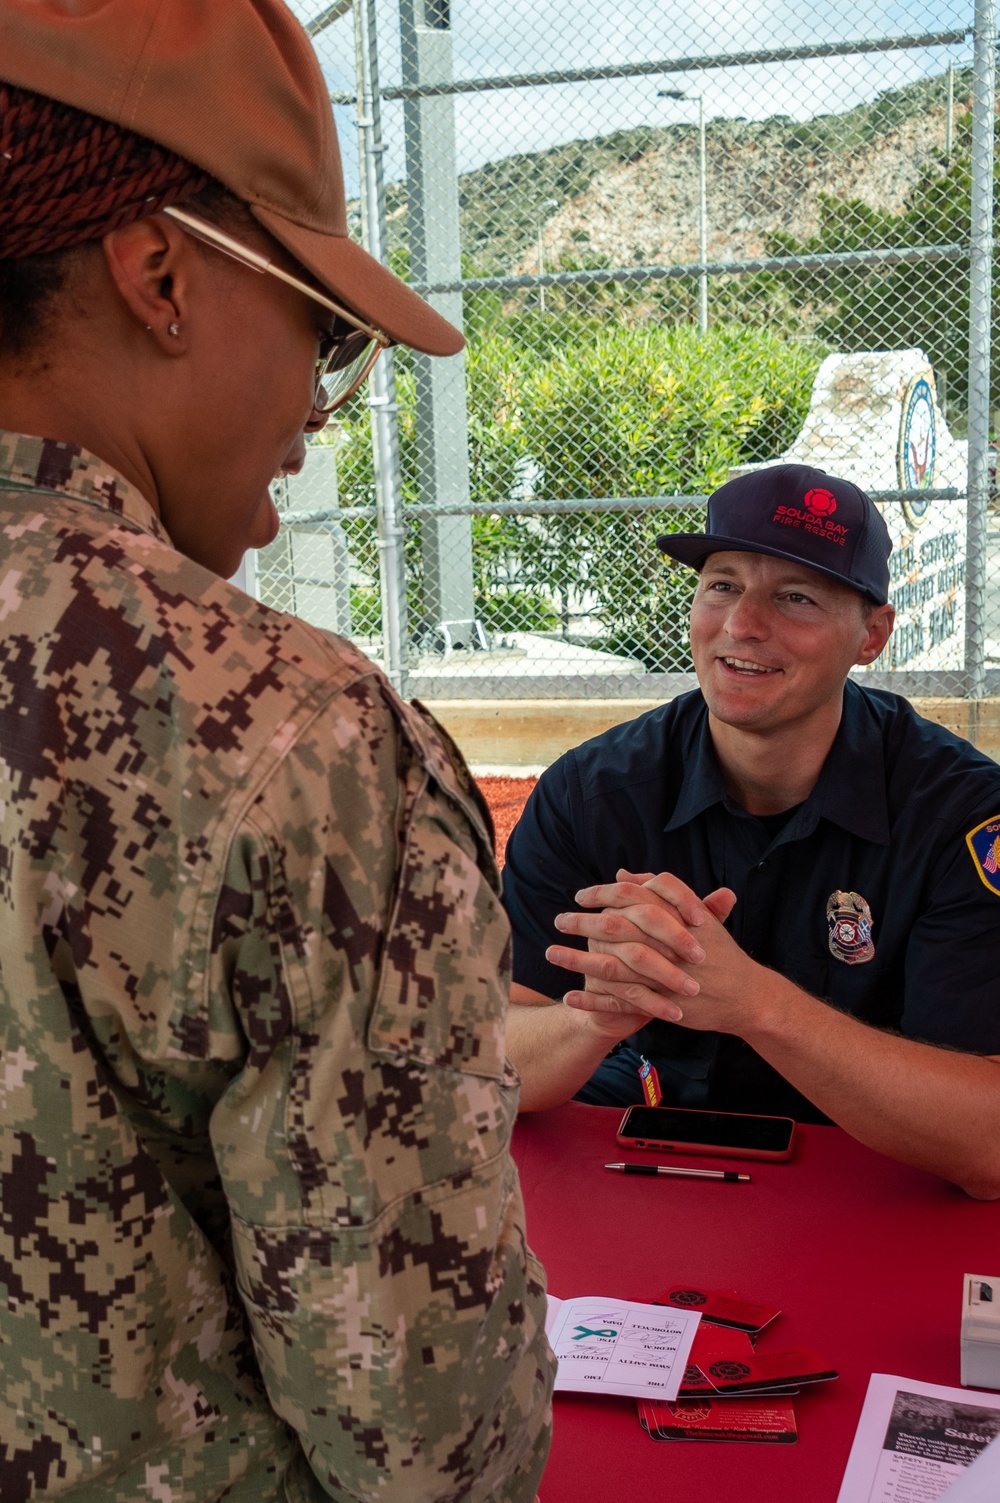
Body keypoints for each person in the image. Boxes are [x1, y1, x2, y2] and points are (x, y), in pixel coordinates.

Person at [0, 3, 553, 1500]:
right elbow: (427, 1433)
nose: (315, 412)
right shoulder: (287, 734)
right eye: (324, 329)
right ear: (162, 272)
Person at [503, 463, 1000, 1199]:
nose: (741, 624)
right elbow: (490, 1060)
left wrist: (754, 1004)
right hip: (635, 1159)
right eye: (723, 584)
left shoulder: (959, 814)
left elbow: (986, 1144)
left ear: (872, 633)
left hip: (867, 1184)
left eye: (794, 596)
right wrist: (603, 1013)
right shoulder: (592, 793)